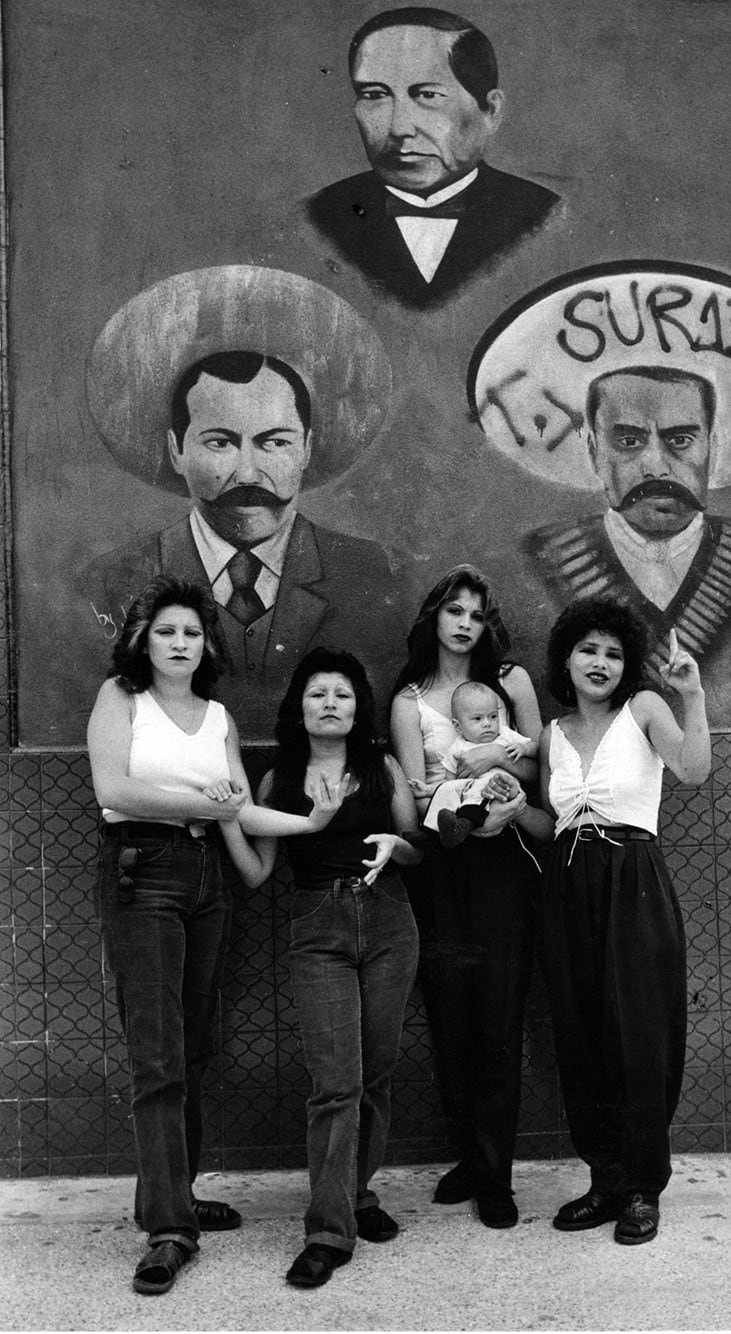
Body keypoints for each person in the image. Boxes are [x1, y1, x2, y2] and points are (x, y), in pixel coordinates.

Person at [86, 575, 321, 1296]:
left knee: (194, 1046)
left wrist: (313, 824)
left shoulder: (217, 716)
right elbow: (114, 790)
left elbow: (240, 813)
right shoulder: (120, 699)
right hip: (144, 870)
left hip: (206, 878)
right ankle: (167, 1228)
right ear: (143, 641)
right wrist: (205, 803)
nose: (181, 643)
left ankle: (173, 1195)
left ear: (206, 644)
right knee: (157, 1053)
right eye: (167, 632)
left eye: (192, 633)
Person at [82, 267, 396, 739]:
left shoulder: (372, 572)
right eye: (220, 443)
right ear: (176, 450)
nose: (247, 473)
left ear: (306, 448)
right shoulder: (111, 580)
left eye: (274, 443)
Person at [217, 647, 422, 1289]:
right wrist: (227, 820)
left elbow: (418, 850)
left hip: (390, 921)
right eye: (316, 693)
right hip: (318, 929)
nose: (329, 703)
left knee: (378, 1073)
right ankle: (329, 1231)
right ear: (298, 708)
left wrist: (397, 845)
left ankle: (358, 1196)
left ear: (358, 707)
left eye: (341, 693)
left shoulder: (382, 766)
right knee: (337, 1082)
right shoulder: (280, 779)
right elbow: (256, 874)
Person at [515, 596, 711, 1245]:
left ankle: (641, 1189)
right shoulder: (553, 733)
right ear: (565, 659)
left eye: (612, 652)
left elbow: (691, 768)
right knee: (582, 1034)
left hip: (634, 881)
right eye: (587, 649)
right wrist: (514, 809)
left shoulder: (645, 709)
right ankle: (603, 1179)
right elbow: (552, 823)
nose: (599, 662)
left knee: (639, 1036)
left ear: (625, 665)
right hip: (568, 886)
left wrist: (693, 695)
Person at [389, 565, 541, 1227]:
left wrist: (494, 764)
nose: (464, 623)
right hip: (441, 866)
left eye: (476, 614)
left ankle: (497, 1176)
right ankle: (471, 1157)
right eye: (454, 610)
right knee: (451, 1017)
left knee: (498, 1017)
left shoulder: (510, 684)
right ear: (435, 617)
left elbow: (543, 763)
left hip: (504, 862)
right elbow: (416, 792)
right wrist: (436, 788)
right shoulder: (408, 700)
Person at [525, 366, 731, 679]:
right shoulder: (541, 554)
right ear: (594, 453)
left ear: (712, 449)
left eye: (681, 440)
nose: (656, 466)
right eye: (629, 441)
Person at [306, 7, 561, 307]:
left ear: (490, 111)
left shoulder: (541, 214)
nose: (400, 128)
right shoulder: (317, 216)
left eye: (427, 96)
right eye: (375, 95)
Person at [410, 679, 535, 847]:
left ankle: (461, 828)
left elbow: (536, 747)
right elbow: (451, 783)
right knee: (447, 792)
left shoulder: (505, 736)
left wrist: (523, 749)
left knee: (480, 791)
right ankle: (429, 833)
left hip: (498, 792)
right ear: (458, 727)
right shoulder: (457, 748)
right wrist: (428, 790)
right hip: (467, 791)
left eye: (493, 716)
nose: (487, 723)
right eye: (477, 718)